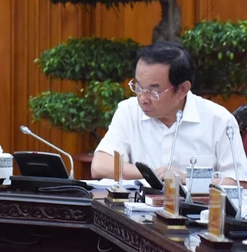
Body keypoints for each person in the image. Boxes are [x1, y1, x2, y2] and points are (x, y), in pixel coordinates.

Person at [92, 40, 247, 183]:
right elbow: (99, 165)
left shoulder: (218, 120)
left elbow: (239, 182)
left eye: (153, 92)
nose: (142, 98)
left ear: (182, 89)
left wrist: (188, 180)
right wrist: (151, 174)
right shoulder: (129, 111)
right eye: (138, 87)